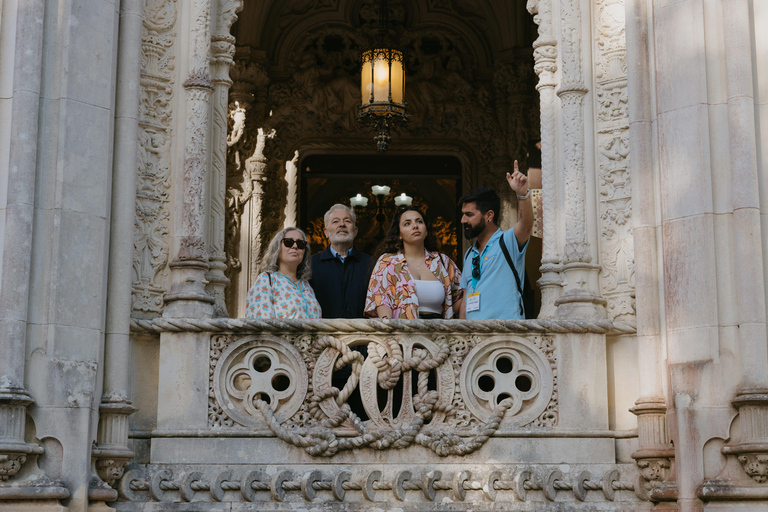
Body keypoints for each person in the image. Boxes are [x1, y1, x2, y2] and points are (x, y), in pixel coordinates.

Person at [459, 160, 533, 319]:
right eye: (463, 214)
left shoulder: (507, 241)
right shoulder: (469, 254)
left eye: (469, 215)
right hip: (474, 337)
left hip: (506, 335)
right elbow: (465, 300)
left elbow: (526, 225)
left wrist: (522, 194)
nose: (463, 220)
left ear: (489, 215)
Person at [365, 206, 463, 319]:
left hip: (438, 333)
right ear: (399, 235)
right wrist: (389, 329)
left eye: (419, 222)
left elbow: (460, 298)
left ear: (426, 230)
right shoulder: (387, 262)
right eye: (407, 223)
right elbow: (381, 300)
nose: (415, 226)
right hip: (403, 331)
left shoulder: (443, 262)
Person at [310, 204, 372, 318]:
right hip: (322, 333)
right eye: (335, 221)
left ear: (355, 231)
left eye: (347, 221)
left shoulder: (371, 264)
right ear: (326, 232)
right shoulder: (310, 264)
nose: (342, 224)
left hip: (363, 334)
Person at [246, 227, 322, 319]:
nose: (295, 246)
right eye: (288, 242)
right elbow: (261, 326)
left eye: (300, 244)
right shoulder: (266, 280)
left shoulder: (306, 285)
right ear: (277, 248)